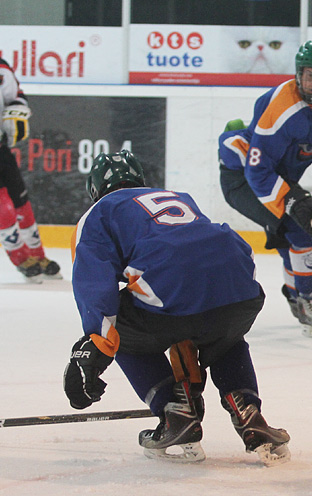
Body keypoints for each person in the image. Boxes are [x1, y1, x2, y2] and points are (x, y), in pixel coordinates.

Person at [63, 150, 290, 465]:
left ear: (93, 190)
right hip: (239, 283)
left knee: (125, 333)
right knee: (221, 336)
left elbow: (93, 281)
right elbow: (191, 260)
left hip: (174, 286)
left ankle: (175, 412)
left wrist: (96, 345)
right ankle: (250, 414)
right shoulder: (176, 196)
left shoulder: (99, 212)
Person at [218, 40, 312, 339]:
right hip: (242, 179)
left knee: (294, 229)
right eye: (310, 76)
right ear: (299, 75)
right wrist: (292, 199)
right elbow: (257, 171)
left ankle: (297, 294)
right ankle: (309, 303)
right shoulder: (282, 107)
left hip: (275, 175)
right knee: (304, 227)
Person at [0, 57, 61, 282]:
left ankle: (38, 256)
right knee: (3, 207)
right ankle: (21, 258)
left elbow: (16, 95)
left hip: (1, 148)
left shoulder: (1, 67)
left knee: (21, 203)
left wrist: (16, 108)